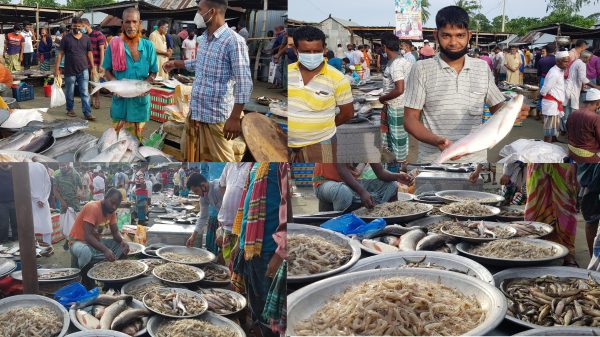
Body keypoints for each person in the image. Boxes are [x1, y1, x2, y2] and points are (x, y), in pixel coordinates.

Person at [403, 6, 529, 164]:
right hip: (433, 160)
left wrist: (513, 112)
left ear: (469, 36)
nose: (454, 42)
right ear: (436, 35)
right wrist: (437, 141)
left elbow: (497, 107)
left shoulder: (482, 67)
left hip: (475, 162)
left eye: (460, 35)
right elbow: (410, 119)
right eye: (446, 36)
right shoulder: (421, 69)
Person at [163, 0, 253, 162]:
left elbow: (244, 82)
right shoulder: (203, 38)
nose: (197, 14)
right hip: (196, 112)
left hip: (216, 117)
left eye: (199, 10)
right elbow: (200, 63)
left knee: (221, 165)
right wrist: (176, 63)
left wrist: (235, 117)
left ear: (212, 12)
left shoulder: (234, 41)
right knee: (192, 161)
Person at [231, 163, 287, 337]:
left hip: (269, 252)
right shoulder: (255, 165)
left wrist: (281, 252)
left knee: (269, 314)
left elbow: (287, 205)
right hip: (249, 249)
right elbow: (247, 208)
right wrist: (238, 243)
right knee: (255, 306)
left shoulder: (280, 163)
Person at [287, 25, 354, 162]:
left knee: (323, 178)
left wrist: (323, 128)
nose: (312, 56)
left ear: (324, 49)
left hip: (323, 144)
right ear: (295, 50)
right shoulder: (288, 72)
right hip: (285, 145)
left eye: (316, 51)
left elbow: (347, 113)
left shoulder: (338, 78)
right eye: (306, 52)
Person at [103, 8, 158, 142]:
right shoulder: (114, 45)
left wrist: (146, 84)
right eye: (127, 22)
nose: (131, 26)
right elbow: (107, 71)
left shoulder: (148, 46)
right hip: (120, 103)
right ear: (122, 24)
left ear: (140, 24)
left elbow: (154, 71)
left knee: (136, 142)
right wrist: (115, 85)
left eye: (134, 22)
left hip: (140, 104)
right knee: (118, 142)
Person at [525, 164, 578, 266]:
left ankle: (568, 252)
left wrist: (574, 163)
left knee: (566, 206)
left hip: (563, 161)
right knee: (535, 206)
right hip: (537, 159)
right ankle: (535, 247)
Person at [68, 188, 129, 269]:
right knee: (85, 252)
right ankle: (81, 273)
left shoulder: (111, 212)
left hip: (94, 242)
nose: (114, 207)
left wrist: (122, 240)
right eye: (112, 203)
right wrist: (105, 250)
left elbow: (115, 232)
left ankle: (109, 268)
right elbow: (88, 236)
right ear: (105, 197)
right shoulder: (92, 207)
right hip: (78, 242)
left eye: (117, 205)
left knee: (122, 246)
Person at [313, 163, 414, 211]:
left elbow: (381, 173)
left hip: (351, 183)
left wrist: (397, 177)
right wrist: (362, 192)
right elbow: (342, 171)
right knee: (343, 192)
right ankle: (339, 227)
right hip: (326, 183)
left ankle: (390, 217)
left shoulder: (367, 140)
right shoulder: (338, 134)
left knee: (391, 185)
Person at [379, 33, 412, 166]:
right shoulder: (402, 61)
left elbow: (399, 89)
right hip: (403, 104)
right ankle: (399, 162)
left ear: (385, 47)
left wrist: (383, 98)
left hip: (397, 105)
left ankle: (400, 166)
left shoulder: (396, 65)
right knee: (400, 137)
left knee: (398, 138)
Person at [55, 18, 97, 121]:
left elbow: (89, 53)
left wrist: (93, 67)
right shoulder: (66, 38)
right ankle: (70, 109)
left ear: (82, 26)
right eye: (75, 25)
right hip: (69, 70)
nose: (77, 27)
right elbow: (60, 54)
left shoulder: (86, 38)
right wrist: (57, 69)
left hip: (83, 70)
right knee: (70, 91)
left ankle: (87, 113)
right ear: (71, 25)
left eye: (79, 26)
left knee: (85, 92)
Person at [564, 50, 600, 134]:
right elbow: (583, 78)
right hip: (572, 89)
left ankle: (566, 129)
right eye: (589, 59)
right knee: (573, 110)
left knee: (568, 109)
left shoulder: (576, 61)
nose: (589, 61)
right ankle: (570, 129)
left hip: (570, 87)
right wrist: (596, 86)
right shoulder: (582, 63)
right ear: (585, 57)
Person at [185, 173, 222, 250]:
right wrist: (193, 236)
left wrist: (223, 230)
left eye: (196, 191)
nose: (197, 194)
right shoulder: (204, 197)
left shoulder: (218, 188)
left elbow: (228, 210)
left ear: (203, 185)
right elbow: (202, 217)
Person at [540, 51, 570, 143]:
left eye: (568, 61)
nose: (567, 64)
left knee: (554, 126)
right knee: (549, 128)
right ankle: (547, 144)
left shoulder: (559, 70)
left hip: (555, 103)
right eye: (565, 62)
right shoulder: (554, 72)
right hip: (551, 103)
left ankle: (553, 139)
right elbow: (545, 88)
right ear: (558, 62)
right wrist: (545, 94)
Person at [566, 88, 600, 163]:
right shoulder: (596, 118)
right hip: (587, 157)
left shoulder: (573, 113)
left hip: (571, 151)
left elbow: (568, 130)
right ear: (598, 103)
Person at [53, 163, 83, 233]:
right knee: (63, 228)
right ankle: (67, 241)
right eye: (60, 166)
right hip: (64, 206)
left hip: (75, 205)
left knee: (77, 227)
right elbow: (55, 190)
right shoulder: (57, 176)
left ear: (69, 164)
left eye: (64, 165)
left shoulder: (75, 174)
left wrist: (80, 194)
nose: (62, 167)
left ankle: (74, 242)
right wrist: (62, 201)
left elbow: (81, 188)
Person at [29, 163, 52, 245]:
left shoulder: (25, 166)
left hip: (33, 200)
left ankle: (36, 246)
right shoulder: (41, 166)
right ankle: (47, 246)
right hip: (41, 201)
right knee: (45, 225)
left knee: (33, 225)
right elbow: (48, 184)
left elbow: (25, 186)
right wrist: (42, 199)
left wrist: (38, 199)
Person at [86, 22, 106, 110]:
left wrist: (101, 64)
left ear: (87, 25)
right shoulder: (84, 36)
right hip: (85, 64)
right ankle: (90, 100)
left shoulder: (98, 34)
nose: (81, 28)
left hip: (96, 63)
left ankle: (97, 99)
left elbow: (102, 50)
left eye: (83, 26)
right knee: (88, 83)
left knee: (96, 83)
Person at [536, 44, 556, 113]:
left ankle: (539, 112)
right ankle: (548, 111)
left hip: (543, 79)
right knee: (552, 96)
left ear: (546, 50)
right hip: (553, 80)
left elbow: (538, 73)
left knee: (541, 96)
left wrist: (539, 81)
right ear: (555, 51)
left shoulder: (541, 60)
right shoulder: (557, 60)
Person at [0, 165, 17, 243]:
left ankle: (16, 238)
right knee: (4, 223)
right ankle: (4, 240)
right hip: (2, 202)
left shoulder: (13, 169)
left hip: (14, 200)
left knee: (15, 222)